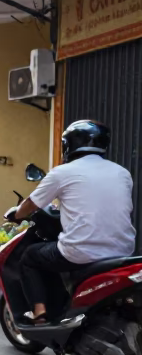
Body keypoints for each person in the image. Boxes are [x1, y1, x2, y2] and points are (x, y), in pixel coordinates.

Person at [12, 120, 135, 323]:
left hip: (81, 253)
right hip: (123, 251)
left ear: (69, 145)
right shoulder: (123, 173)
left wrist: (16, 214)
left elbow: (30, 205)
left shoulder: (62, 172)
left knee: (29, 257)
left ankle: (40, 313)